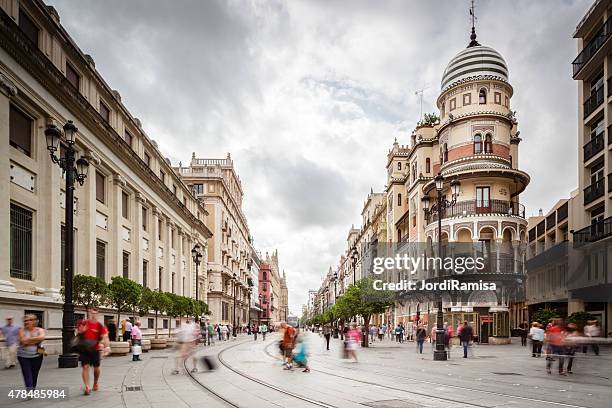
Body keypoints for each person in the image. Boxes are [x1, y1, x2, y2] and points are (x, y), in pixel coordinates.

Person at [77, 308, 110, 395]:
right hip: (84, 349)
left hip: (95, 349)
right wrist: (81, 331)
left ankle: (95, 382)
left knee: (96, 369)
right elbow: (78, 333)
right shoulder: (84, 323)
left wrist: (107, 347)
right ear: (88, 313)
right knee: (85, 367)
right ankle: (87, 386)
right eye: (91, 313)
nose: (93, 315)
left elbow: (105, 337)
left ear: (97, 314)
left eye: (95, 313)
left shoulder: (99, 325)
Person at [17, 315, 45, 391]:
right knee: (27, 374)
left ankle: (33, 388)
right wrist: (35, 341)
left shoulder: (40, 330)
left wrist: (28, 341)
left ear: (34, 321)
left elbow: (41, 337)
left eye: (29, 320)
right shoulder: (21, 330)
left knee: (34, 374)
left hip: (38, 355)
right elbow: (23, 341)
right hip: (23, 356)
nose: (26, 322)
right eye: (25, 321)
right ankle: (29, 390)